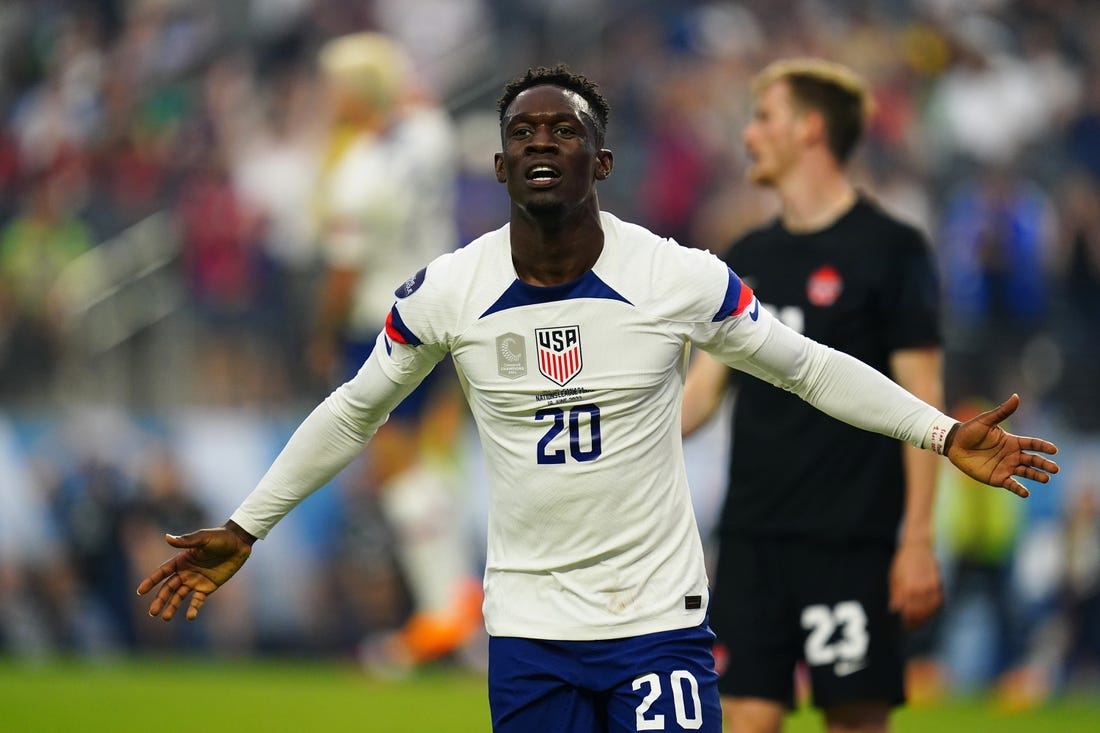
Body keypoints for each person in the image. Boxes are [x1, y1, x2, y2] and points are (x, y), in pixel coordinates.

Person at [136, 65, 1059, 733]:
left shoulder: (678, 277)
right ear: (499, 169)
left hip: (655, 623)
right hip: (530, 629)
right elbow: (352, 410)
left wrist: (941, 433)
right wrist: (248, 525)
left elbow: (808, 366)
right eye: (523, 135)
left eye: (565, 130)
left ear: (602, 161)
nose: (542, 142)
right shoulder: (445, 292)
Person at [680, 58, 949, 732]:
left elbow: (924, 399)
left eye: (762, 117)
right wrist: (602, 438)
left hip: (851, 539)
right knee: (744, 717)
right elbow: (700, 395)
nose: (747, 135)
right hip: (752, 538)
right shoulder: (744, 256)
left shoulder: (892, 249)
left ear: (809, 129)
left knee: (855, 719)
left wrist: (915, 539)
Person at [306, 31, 481, 669]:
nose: (328, 97)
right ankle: (456, 621)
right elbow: (413, 98)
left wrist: (322, 334)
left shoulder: (359, 173)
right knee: (424, 466)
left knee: (395, 469)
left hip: (381, 322)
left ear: (356, 92)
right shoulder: (428, 133)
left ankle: (446, 614)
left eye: (336, 85)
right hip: (437, 308)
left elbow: (343, 271)